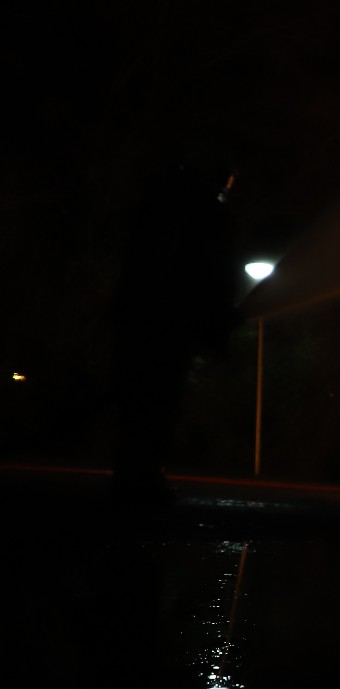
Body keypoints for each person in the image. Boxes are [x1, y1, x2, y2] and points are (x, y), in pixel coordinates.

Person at [107, 153, 240, 502]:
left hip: (138, 320)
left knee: (136, 403)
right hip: (173, 324)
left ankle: (131, 476)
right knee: (160, 402)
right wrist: (218, 324)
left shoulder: (155, 209)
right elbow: (216, 275)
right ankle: (144, 478)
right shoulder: (211, 216)